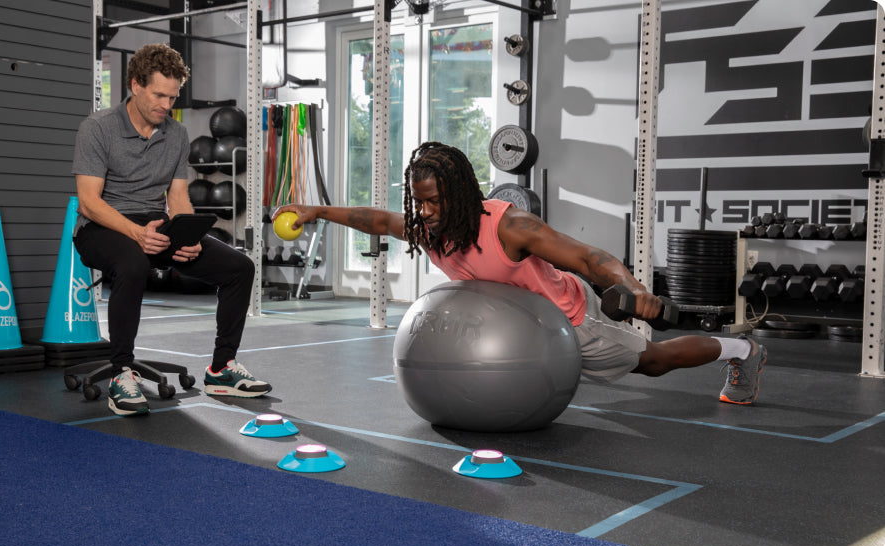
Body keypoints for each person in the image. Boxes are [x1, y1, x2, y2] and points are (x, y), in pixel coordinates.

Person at [274, 142, 766, 404]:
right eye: (418, 202)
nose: (423, 212)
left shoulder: (511, 225)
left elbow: (590, 259)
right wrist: (318, 211)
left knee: (652, 362)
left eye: (433, 201)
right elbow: (379, 220)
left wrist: (636, 289)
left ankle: (743, 349)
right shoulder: (430, 228)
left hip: (568, 316)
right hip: (519, 328)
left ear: (462, 193)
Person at [72, 43, 271, 417]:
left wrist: (188, 238)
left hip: (156, 225)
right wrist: (136, 233)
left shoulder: (176, 134)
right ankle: (121, 373)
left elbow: (178, 196)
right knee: (133, 264)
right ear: (135, 84)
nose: (166, 104)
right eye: (159, 95)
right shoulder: (97, 128)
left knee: (239, 268)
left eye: (173, 96)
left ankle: (221, 369)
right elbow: (88, 202)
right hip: (102, 227)